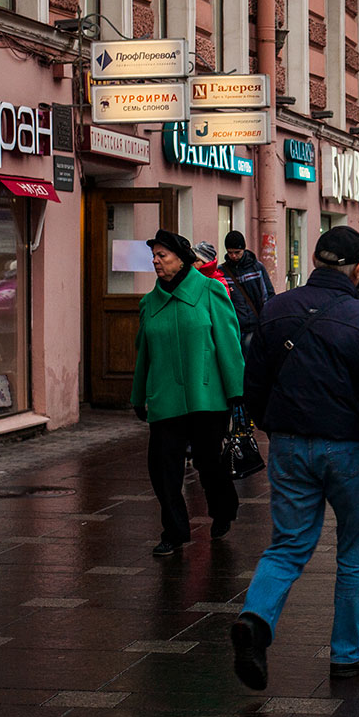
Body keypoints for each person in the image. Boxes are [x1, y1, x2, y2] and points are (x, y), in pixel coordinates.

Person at [231, 226, 359, 689]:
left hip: (289, 445)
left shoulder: (276, 309)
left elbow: (254, 384)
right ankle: (347, 654)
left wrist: (276, 427)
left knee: (287, 546)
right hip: (347, 449)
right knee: (357, 549)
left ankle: (255, 620)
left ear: (315, 260)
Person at [130, 229, 244, 556]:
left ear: (181, 260)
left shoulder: (211, 291)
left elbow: (228, 344)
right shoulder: (149, 303)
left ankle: (222, 509)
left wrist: (237, 392)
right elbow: (144, 355)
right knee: (164, 469)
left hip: (206, 397)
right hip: (165, 398)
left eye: (162, 255)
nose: (155, 261)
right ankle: (174, 531)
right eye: (153, 256)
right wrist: (139, 397)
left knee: (210, 464)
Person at [222, 230, 276, 342]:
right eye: (230, 252)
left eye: (237, 252)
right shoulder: (222, 271)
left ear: (244, 249)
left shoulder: (257, 268)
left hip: (256, 326)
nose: (233, 256)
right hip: (234, 329)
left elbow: (268, 295)